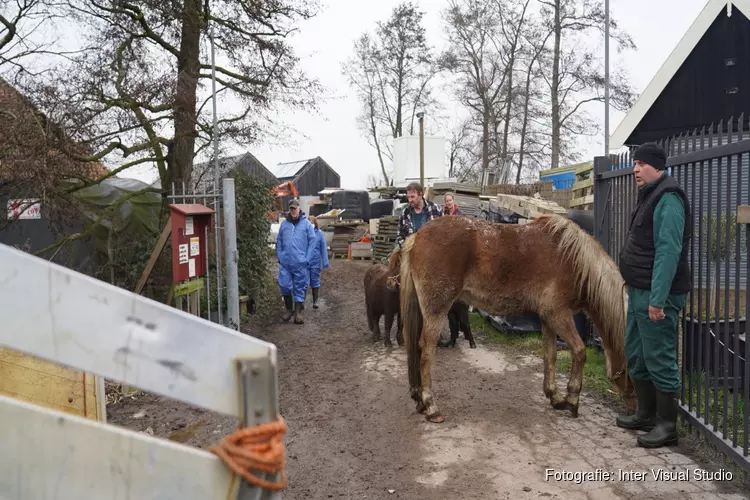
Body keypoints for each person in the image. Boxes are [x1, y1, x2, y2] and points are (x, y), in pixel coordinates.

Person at [615, 142, 692, 449]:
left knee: (659, 356)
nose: (635, 168)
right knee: (637, 353)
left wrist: (658, 300)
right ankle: (646, 414)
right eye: (634, 162)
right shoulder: (649, 194)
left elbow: (668, 252)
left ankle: (667, 426)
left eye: (641, 163)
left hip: (657, 295)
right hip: (639, 291)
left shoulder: (669, 199)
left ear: (657, 166)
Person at [276, 199, 317, 324]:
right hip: (286, 263)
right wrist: (280, 256)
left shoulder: (306, 225)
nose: (293, 211)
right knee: (284, 286)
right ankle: (289, 309)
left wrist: (307, 258)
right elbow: (279, 242)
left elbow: (312, 241)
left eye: (295, 208)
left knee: (299, 287)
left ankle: (298, 313)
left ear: (299, 209)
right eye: (291, 209)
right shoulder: (284, 225)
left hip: (300, 263)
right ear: (289, 209)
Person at [396, 181, 442, 248]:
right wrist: (406, 248)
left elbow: (443, 232)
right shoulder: (405, 213)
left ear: (420, 195)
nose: (410, 200)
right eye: (408, 197)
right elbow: (399, 234)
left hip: (432, 251)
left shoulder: (436, 209)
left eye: (412, 197)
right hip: (410, 252)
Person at [306, 215, 329, 309]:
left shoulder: (319, 233)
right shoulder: (304, 233)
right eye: (309, 223)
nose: (310, 224)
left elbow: (323, 248)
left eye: (312, 223)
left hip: (315, 261)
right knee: (303, 282)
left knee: (315, 281)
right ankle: (301, 303)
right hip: (305, 261)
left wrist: (325, 261)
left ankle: (315, 301)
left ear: (315, 223)